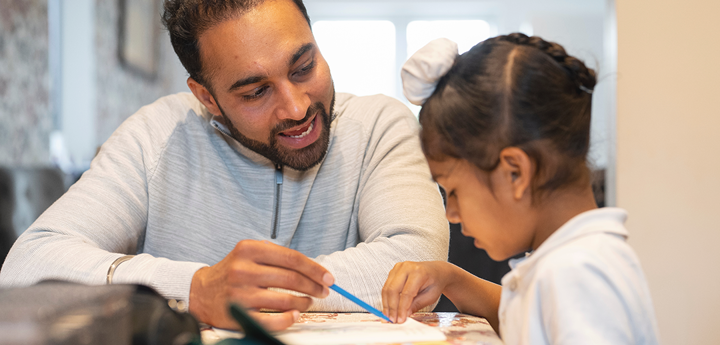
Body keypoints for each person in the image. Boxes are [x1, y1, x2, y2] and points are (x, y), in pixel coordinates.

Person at [0, 0, 449, 331]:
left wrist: (246, 292)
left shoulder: (378, 125)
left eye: (303, 66)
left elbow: (417, 258)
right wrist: (194, 287)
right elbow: (27, 264)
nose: (295, 108)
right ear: (207, 98)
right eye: (256, 92)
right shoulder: (155, 135)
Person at [381, 34, 659, 344]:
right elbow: (522, 314)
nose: (452, 214)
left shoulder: (575, 272)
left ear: (515, 173)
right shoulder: (574, 259)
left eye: (454, 191)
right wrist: (450, 277)